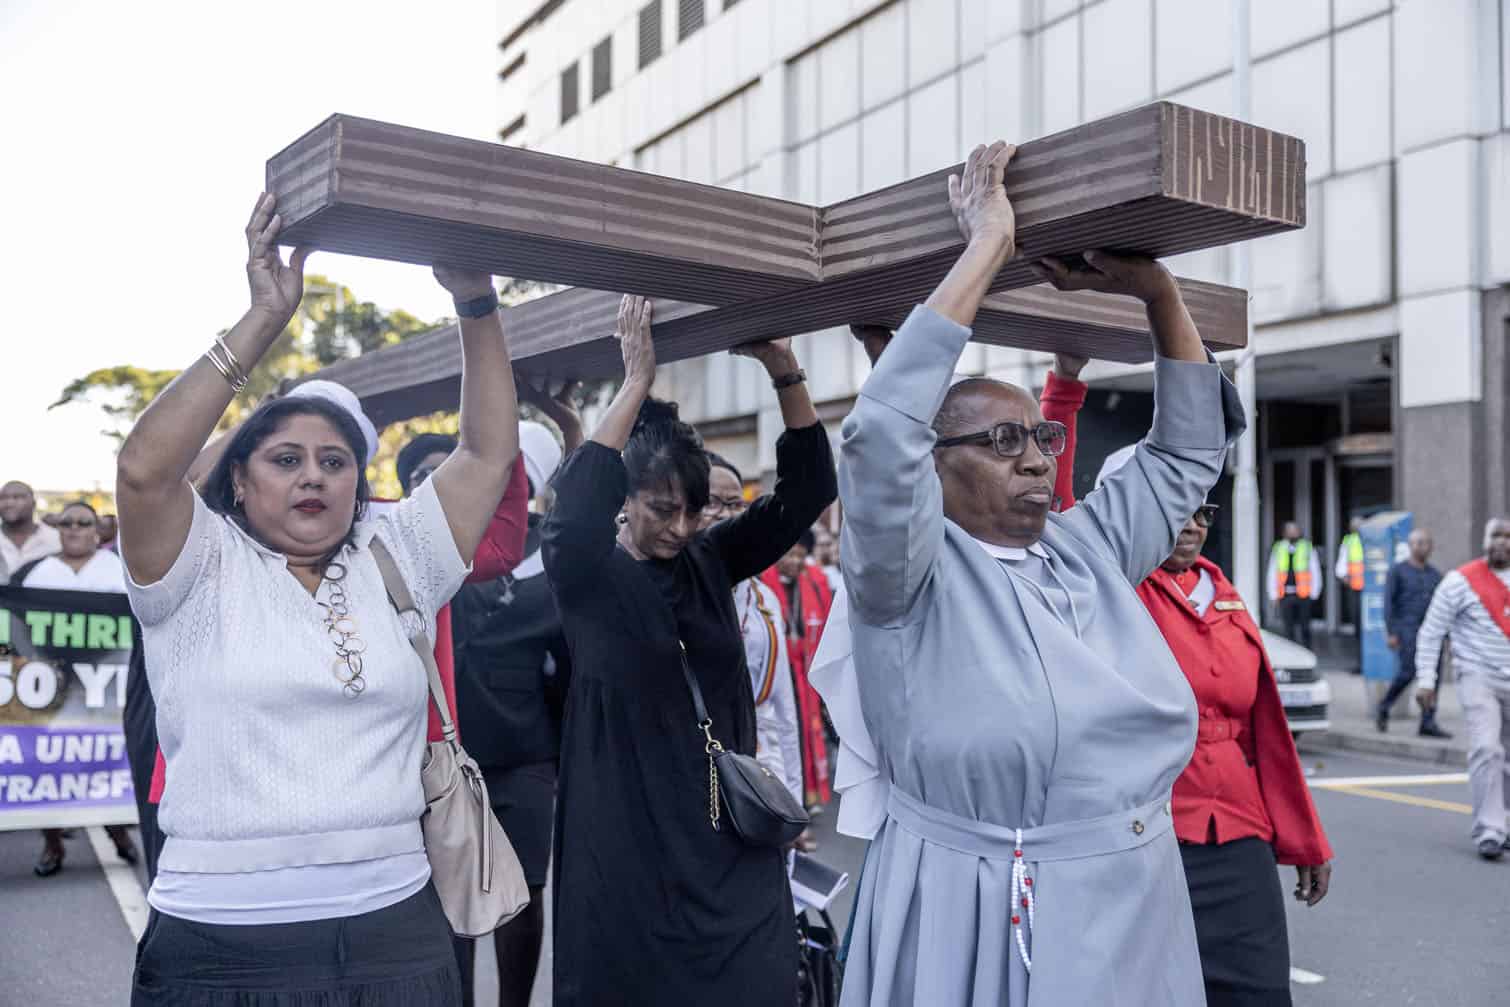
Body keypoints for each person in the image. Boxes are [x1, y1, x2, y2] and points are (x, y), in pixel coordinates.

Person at [829, 141, 1243, 1004]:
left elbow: (1184, 457)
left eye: (1041, 437)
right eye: (1001, 439)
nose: (1034, 458)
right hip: (974, 894)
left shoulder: (1085, 546)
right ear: (933, 468)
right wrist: (987, 244)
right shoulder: (903, 576)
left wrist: (1156, 292)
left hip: (1130, 890)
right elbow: (879, 436)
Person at [116, 193, 520, 1004]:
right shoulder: (198, 566)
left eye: (335, 462)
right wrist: (265, 316)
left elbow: (485, 453)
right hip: (215, 949)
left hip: (395, 938)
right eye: (286, 457)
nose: (313, 475)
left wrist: (476, 300)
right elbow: (143, 472)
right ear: (238, 475)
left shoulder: (396, 552)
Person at [541, 294, 836, 1005]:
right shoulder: (587, 575)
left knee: (753, 982)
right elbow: (574, 505)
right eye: (661, 507)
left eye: (694, 509)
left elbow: (808, 491)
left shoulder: (708, 561)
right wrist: (636, 380)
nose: (680, 525)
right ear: (627, 499)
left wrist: (784, 366)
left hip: (723, 835)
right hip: (625, 841)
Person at [1095, 454, 1333, 1005]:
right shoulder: (1110, 586)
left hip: (1237, 827)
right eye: (1178, 507)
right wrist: (1068, 386)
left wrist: (1305, 840)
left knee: (1260, 989)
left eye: (1204, 509)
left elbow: (1265, 735)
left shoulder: (1223, 592)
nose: (1194, 522)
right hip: (1145, 829)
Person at [448, 409, 577, 1007]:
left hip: (525, 753)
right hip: (446, 753)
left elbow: (570, 670)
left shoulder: (555, 554)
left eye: (518, 472)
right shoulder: (448, 533)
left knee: (521, 894)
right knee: (454, 895)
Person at [16, 501, 142, 877]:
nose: (74, 529)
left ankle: (118, 832)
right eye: (67, 522)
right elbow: (14, 628)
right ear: (57, 529)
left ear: (97, 530)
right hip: (49, 694)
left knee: (108, 763)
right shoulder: (37, 574)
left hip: (108, 691)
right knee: (47, 766)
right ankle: (52, 845)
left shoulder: (121, 572)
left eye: (83, 522)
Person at [704, 453, 804, 806]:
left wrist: (793, 799)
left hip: (759, 767)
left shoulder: (764, 600)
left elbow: (783, 709)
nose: (726, 514)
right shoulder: (668, 588)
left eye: (735, 504)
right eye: (712, 502)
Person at [1415, 518, 1510, 860]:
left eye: (1507, 537)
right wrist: (1426, 679)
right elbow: (1431, 631)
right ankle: (1490, 830)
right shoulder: (1460, 581)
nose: (1501, 542)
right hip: (1477, 675)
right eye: (1495, 536)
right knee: (1487, 748)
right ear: (1484, 541)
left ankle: (1502, 819)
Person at [761, 529, 834, 812]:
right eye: (789, 554)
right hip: (780, 673)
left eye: (800, 556)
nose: (793, 561)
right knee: (781, 735)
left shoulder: (815, 583)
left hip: (806, 674)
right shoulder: (761, 581)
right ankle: (784, 797)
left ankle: (807, 793)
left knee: (809, 733)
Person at [1379, 528, 1449, 737]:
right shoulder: (1398, 571)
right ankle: (1385, 705)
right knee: (1408, 671)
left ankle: (1427, 721)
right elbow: (1388, 604)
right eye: (1417, 543)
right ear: (1410, 546)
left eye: (1425, 543)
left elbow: (1444, 608)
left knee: (1433, 676)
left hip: (1432, 631)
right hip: (1406, 629)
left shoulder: (1435, 575)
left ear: (1431, 547)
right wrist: (1392, 632)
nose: (1421, 547)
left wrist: (1448, 637)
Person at [1267, 521, 1322, 647]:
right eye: (1289, 530)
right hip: (1285, 594)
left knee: (1305, 627)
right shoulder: (1279, 548)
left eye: (1295, 530)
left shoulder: (1307, 547)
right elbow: (1272, 572)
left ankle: (1307, 653)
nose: (1292, 533)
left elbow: (1315, 571)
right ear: (1284, 533)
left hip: (1303, 594)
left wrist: (1315, 592)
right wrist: (1273, 594)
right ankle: (1292, 655)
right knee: (1288, 628)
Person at [1, 480, 61, 582]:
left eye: (18, 497)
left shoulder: (57, 539)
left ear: (34, 503)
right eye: (3, 498)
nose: (9, 503)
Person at [1336, 516, 1365, 631]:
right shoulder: (1348, 540)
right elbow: (1342, 563)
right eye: (1355, 526)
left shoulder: (1371, 538)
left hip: (1371, 586)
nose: (1357, 528)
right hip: (1356, 585)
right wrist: (1343, 576)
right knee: (1357, 614)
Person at [813, 525, 842, 592]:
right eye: (821, 545)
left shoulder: (841, 570)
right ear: (815, 547)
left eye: (828, 544)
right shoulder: (808, 569)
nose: (825, 549)